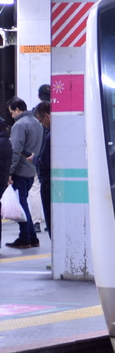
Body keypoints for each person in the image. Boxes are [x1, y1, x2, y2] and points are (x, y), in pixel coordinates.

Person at [7, 97, 42, 249]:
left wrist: (9, 171)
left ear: (17, 110)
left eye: (11, 113)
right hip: (31, 170)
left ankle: (25, 237)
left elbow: (15, 150)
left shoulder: (19, 125)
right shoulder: (36, 122)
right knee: (24, 203)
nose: (11, 116)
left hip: (20, 170)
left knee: (21, 206)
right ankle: (33, 238)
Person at [34, 102, 50, 238]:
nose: (42, 124)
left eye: (41, 121)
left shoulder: (50, 136)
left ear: (47, 117)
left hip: (47, 181)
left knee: (51, 220)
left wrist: (34, 159)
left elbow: (44, 161)